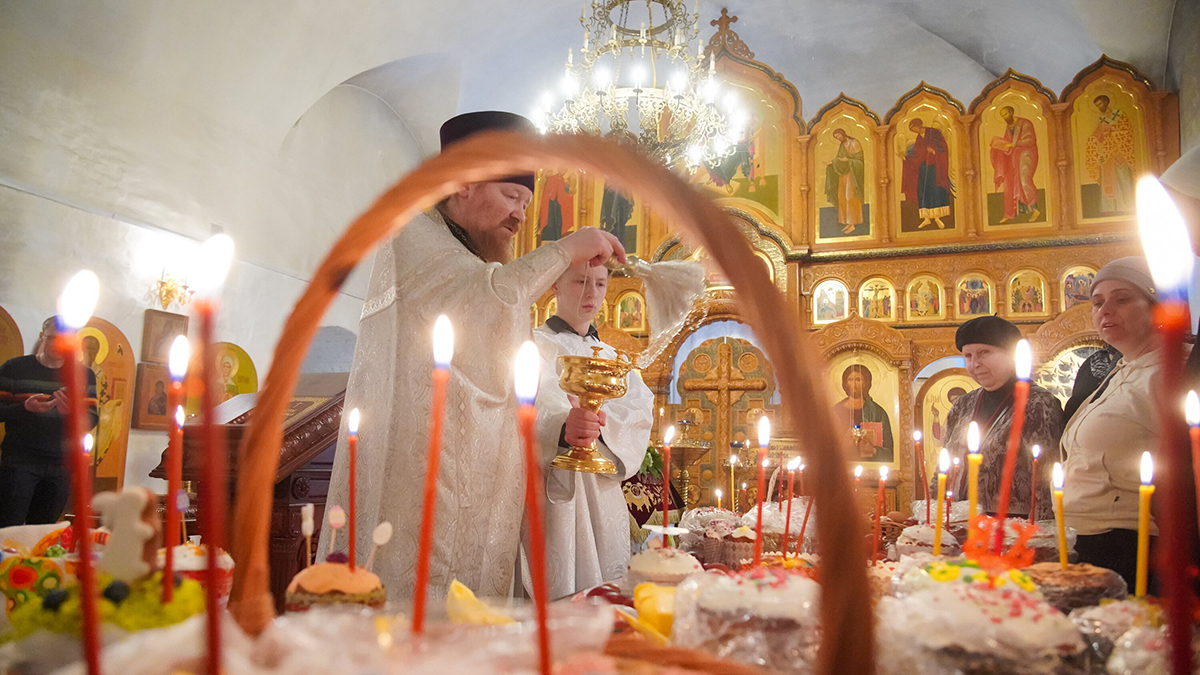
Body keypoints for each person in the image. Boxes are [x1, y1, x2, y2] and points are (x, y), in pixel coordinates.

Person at [322, 111, 626, 601]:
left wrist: (557, 427)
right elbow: (484, 298)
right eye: (511, 196)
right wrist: (564, 249)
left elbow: (504, 384)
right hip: (422, 500)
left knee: (474, 634)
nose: (521, 215)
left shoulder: (480, 268)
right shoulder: (415, 240)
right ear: (462, 184)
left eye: (526, 203)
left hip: (486, 507)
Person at [530, 262, 652, 598]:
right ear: (555, 282)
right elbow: (525, 397)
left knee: (605, 595)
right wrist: (561, 423)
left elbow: (640, 411)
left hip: (602, 490)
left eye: (600, 284)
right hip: (553, 490)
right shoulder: (535, 344)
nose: (591, 293)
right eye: (581, 281)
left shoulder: (617, 358)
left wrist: (603, 422)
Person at [1062, 257, 1161, 589]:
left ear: (1158, 308)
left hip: (1133, 550)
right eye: (1097, 302)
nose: (1105, 310)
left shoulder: (1173, 373)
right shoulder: (1119, 369)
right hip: (1088, 544)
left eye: (1122, 299)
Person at [932, 316, 1062, 521]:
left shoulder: (1038, 403)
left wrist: (1040, 537)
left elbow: (1045, 481)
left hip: (1012, 529)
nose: (975, 364)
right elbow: (943, 467)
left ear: (1010, 353)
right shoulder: (963, 405)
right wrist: (933, 516)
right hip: (958, 523)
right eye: (968, 356)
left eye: (984, 353)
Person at [0, 317, 98, 526]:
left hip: (62, 463)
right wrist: (24, 408)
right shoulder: (14, 368)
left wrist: (72, 414)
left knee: (44, 529)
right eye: (52, 338)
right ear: (42, 336)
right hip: (20, 460)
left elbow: (91, 419)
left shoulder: (84, 375)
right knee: (9, 527)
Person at [1084, 95, 1136, 215]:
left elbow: (1127, 132)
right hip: (1107, 154)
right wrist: (1096, 138)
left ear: (1106, 102)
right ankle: (1110, 208)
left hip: (1120, 153)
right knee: (1108, 180)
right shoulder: (1101, 119)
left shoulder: (1119, 115)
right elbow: (1096, 135)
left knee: (1123, 180)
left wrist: (1112, 132)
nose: (1099, 107)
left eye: (1101, 104)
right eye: (1097, 106)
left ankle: (1127, 207)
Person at [833, 365, 894, 462]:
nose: (854, 384)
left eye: (858, 380)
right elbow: (822, 448)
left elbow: (890, 453)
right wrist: (842, 447)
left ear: (865, 383)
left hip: (871, 470)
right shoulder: (835, 412)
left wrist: (873, 450)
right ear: (845, 384)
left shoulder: (878, 412)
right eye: (850, 380)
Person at [989, 106, 1040, 223]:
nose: (1005, 118)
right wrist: (999, 146)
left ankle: (1035, 209)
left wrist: (1013, 144)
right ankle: (1010, 213)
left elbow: (1030, 140)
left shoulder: (1025, 123)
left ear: (1011, 112)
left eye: (1006, 114)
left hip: (1027, 155)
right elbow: (1008, 142)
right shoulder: (1009, 126)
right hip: (1014, 156)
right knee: (1009, 182)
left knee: (1024, 180)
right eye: (1003, 116)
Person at [900, 119, 953, 229]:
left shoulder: (933, 132)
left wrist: (934, 150)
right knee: (923, 191)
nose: (914, 131)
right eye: (912, 130)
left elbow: (943, 145)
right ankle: (926, 218)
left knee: (936, 190)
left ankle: (938, 217)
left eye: (914, 128)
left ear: (919, 125)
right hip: (924, 168)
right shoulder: (919, 138)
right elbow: (916, 154)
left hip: (935, 167)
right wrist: (906, 158)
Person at [825, 129, 865, 234]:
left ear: (843, 133)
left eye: (838, 136)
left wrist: (848, 160)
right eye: (836, 137)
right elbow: (839, 159)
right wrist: (831, 163)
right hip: (844, 175)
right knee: (842, 196)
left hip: (853, 175)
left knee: (850, 197)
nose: (838, 138)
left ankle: (853, 223)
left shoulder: (854, 143)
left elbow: (859, 161)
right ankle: (847, 222)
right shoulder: (843, 145)